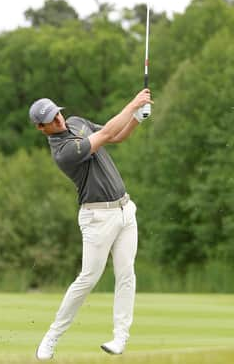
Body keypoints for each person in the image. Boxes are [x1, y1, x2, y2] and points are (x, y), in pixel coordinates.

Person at [29, 89, 153, 361]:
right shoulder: (63, 152)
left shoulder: (76, 122)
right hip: (97, 218)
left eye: (57, 113)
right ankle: (51, 337)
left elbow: (116, 136)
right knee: (88, 279)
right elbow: (107, 133)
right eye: (51, 119)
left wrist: (136, 119)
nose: (59, 119)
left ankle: (120, 337)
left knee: (126, 273)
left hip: (124, 210)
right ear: (42, 128)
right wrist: (133, 103)